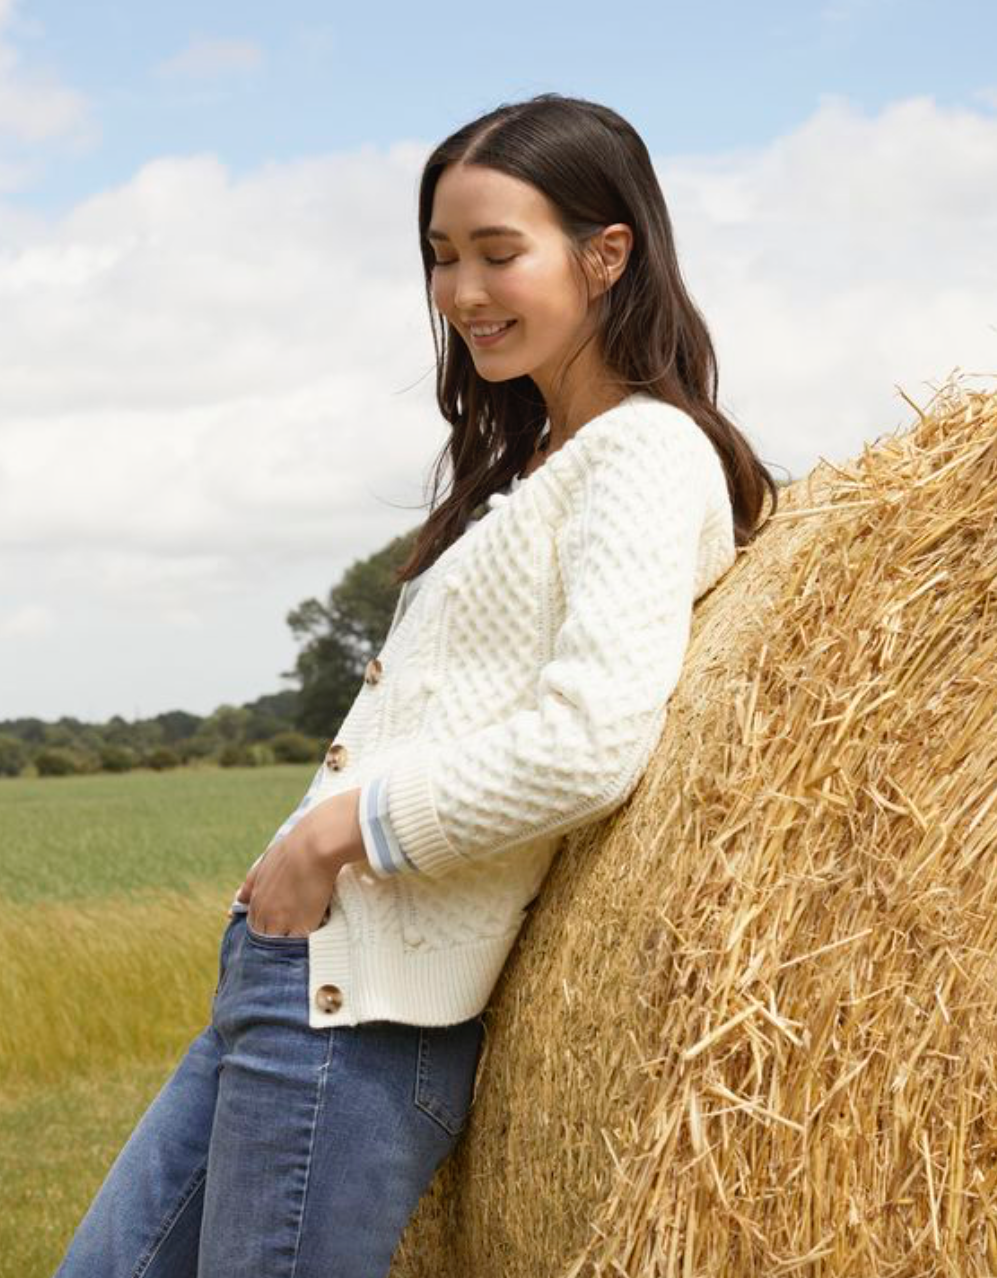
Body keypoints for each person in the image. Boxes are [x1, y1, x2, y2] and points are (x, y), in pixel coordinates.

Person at [52, 91, 779, 1278]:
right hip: (298, 980)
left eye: (499, 254)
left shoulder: (644, 453)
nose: (461, 293)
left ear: (606, 256)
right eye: (442, 258)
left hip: (360, 1009)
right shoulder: (543, 463)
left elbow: (590, 737)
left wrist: (341, 831)